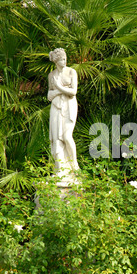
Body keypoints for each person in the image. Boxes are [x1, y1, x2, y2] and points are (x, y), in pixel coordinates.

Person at [48, 48, 79, 185]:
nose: (64, 61)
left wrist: (59, 88)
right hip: (55, 106)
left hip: (69, 106)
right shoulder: (51, 75)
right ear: (56, 61)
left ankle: (75, 166)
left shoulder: (72, 72)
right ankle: (60, 168)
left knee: (66, 136)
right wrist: (58, 91)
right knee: (56, 138)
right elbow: (49, 96)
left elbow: (73, 92)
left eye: (65, 59)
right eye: (61, 59)